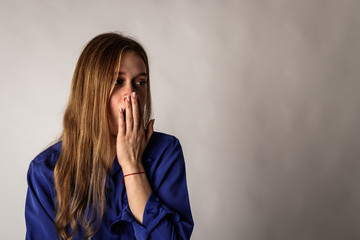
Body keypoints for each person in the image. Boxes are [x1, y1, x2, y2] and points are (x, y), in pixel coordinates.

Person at [25, 32, 194, 239]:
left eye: (140, 83)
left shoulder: (165, 152)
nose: (132, 95)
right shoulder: (46, 170)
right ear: (89, 90)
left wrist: (132, 167)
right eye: (117, 81)